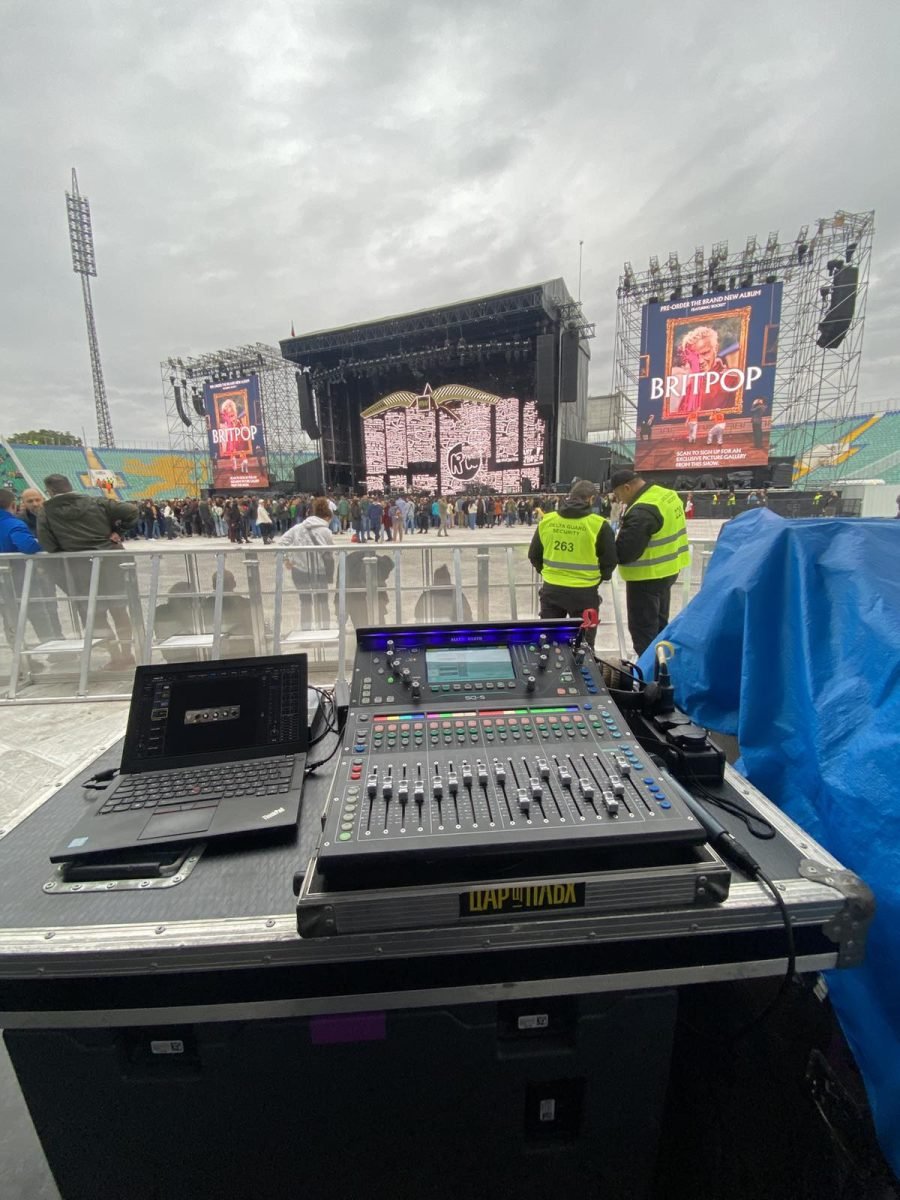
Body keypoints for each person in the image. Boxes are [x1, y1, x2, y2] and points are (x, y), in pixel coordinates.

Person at [36, 474, 139, 669]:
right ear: (69, 486)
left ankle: (115, 655)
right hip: (111, 562)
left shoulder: (46, 512)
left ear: (50, 491)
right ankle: (127, 653)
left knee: (97, 614)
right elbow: (132, 510)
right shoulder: (96, 502)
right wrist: (119, 532)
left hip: (80, 568)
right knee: (119, 610)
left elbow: (48, 544)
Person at [610, 469, 690, 657]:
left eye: (618, 495)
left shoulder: (642, 511)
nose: (619, 500)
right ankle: (663, 665)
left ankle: (648, 671)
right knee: (660, 625)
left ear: (627, 487)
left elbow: (625, 552)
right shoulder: (668, 495)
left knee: (643, 631)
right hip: (669, 570)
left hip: (646, 578)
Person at [527, 479, 617, 647]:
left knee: (548, 641)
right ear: (591, 499)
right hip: (585, 593)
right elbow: (610, 560)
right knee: (583, 645)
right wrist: (600, 578)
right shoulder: (598, 525)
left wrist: (549, 573)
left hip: (552, 590)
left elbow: (534, 555)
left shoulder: (548, 520)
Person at [277, 495, 335, 628]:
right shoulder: (326, 531)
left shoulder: (298, 528)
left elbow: (281, 543)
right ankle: (325, 628)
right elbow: (330, 551)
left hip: (299, 569)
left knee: (305, 602)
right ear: (327, 517)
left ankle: (306, 628)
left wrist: (286, 559)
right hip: (320, 571)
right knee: (323, 601)